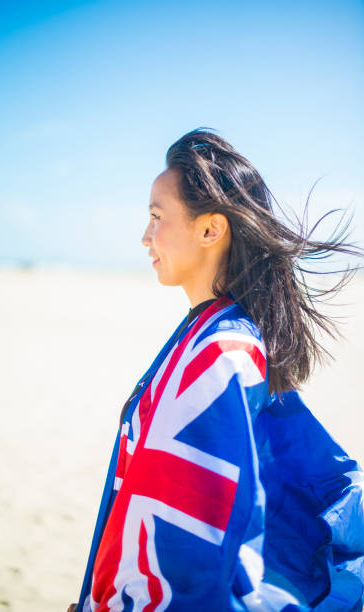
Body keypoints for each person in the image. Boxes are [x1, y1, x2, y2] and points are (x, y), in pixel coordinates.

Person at [68, 128, 364, 611]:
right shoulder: (207, 334)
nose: (145, 236)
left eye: (156, 217)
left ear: (210, 229)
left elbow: (202, 550)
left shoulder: (220, 353)